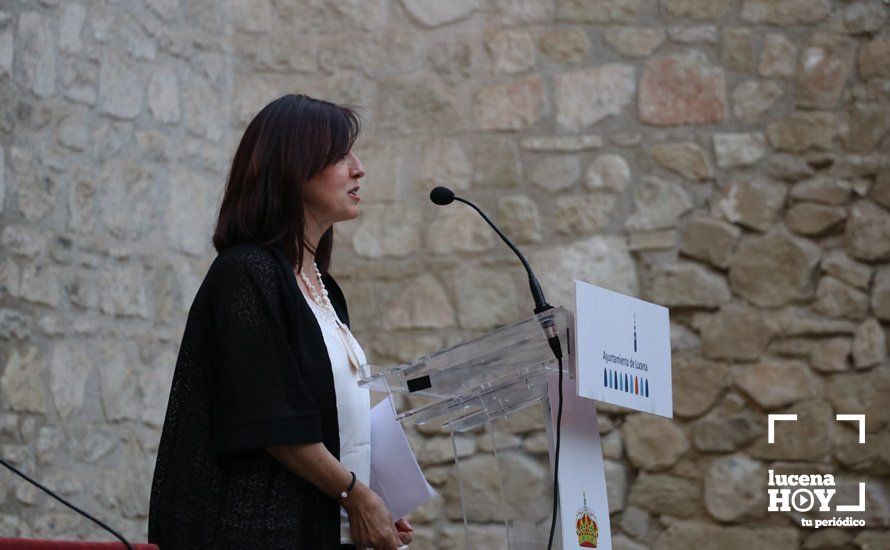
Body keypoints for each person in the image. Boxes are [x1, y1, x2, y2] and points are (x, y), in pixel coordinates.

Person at [148, 94, 413, 550]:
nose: (359, 168)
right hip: (258, 531)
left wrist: (375, 499)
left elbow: (329, 416)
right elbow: (272, 418)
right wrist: (356, 495)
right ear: (293, 168)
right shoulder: (245, 273)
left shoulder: (325, 289)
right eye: (340, 155)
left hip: (327, 526)